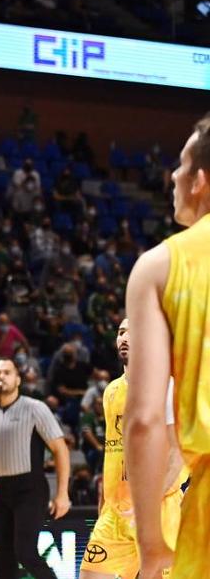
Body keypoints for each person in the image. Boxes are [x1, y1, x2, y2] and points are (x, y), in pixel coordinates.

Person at [123, 113, 210, 579]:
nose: (173, 175)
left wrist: (152, 545)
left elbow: (145, 420)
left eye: (181, 164)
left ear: (200, 180)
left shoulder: (161, 266)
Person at [80, 319, 186, 579]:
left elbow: (178, 452)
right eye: (120, 332)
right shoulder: (111, 391)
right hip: (116, 511)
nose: (124, 338)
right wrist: (104, 497)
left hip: (158, 509)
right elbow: (113, 449)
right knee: (90, 574)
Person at [0, 358, 70, 579]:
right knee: (4, 561)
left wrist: (62, 494)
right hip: (1, 489)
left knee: (26, 552)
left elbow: (60, 450)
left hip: (31, 488)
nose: (1, 376)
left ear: (18, 379)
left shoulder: (35, 409)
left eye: (7, 372)